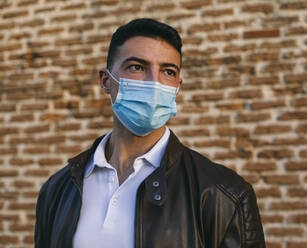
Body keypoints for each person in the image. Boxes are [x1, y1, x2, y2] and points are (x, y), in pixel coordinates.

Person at [34, 18, 265, 248]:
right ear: (105, 81)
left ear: (178, 87)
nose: (155, 83)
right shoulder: (58, 189)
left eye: (168, 71)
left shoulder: (224, 195)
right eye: (137, 67)